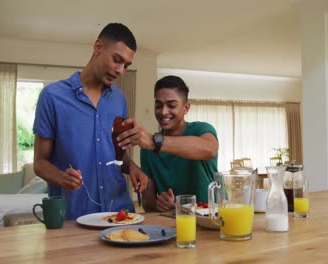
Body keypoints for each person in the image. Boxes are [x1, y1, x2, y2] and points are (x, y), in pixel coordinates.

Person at [33, 23, 148, 220]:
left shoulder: (119, 99)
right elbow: (40, 163)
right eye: (117, 60)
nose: (121, 70)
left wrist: (133, 168)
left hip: (119, 213)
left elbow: (117, 154)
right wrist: (61, 177)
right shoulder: (52, 97)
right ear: (98, 47)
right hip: (74, 218)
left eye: (126, 65)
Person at [116, 75, 219, 212]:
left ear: (186, 108)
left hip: (210, 218)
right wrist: (159, 203)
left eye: (171, 105)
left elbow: (210, 149)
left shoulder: (201, 129)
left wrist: (155, 142)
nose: (163, 112)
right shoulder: (148, 149)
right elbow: (148, 203)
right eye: (158, 105)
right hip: (174, 222)